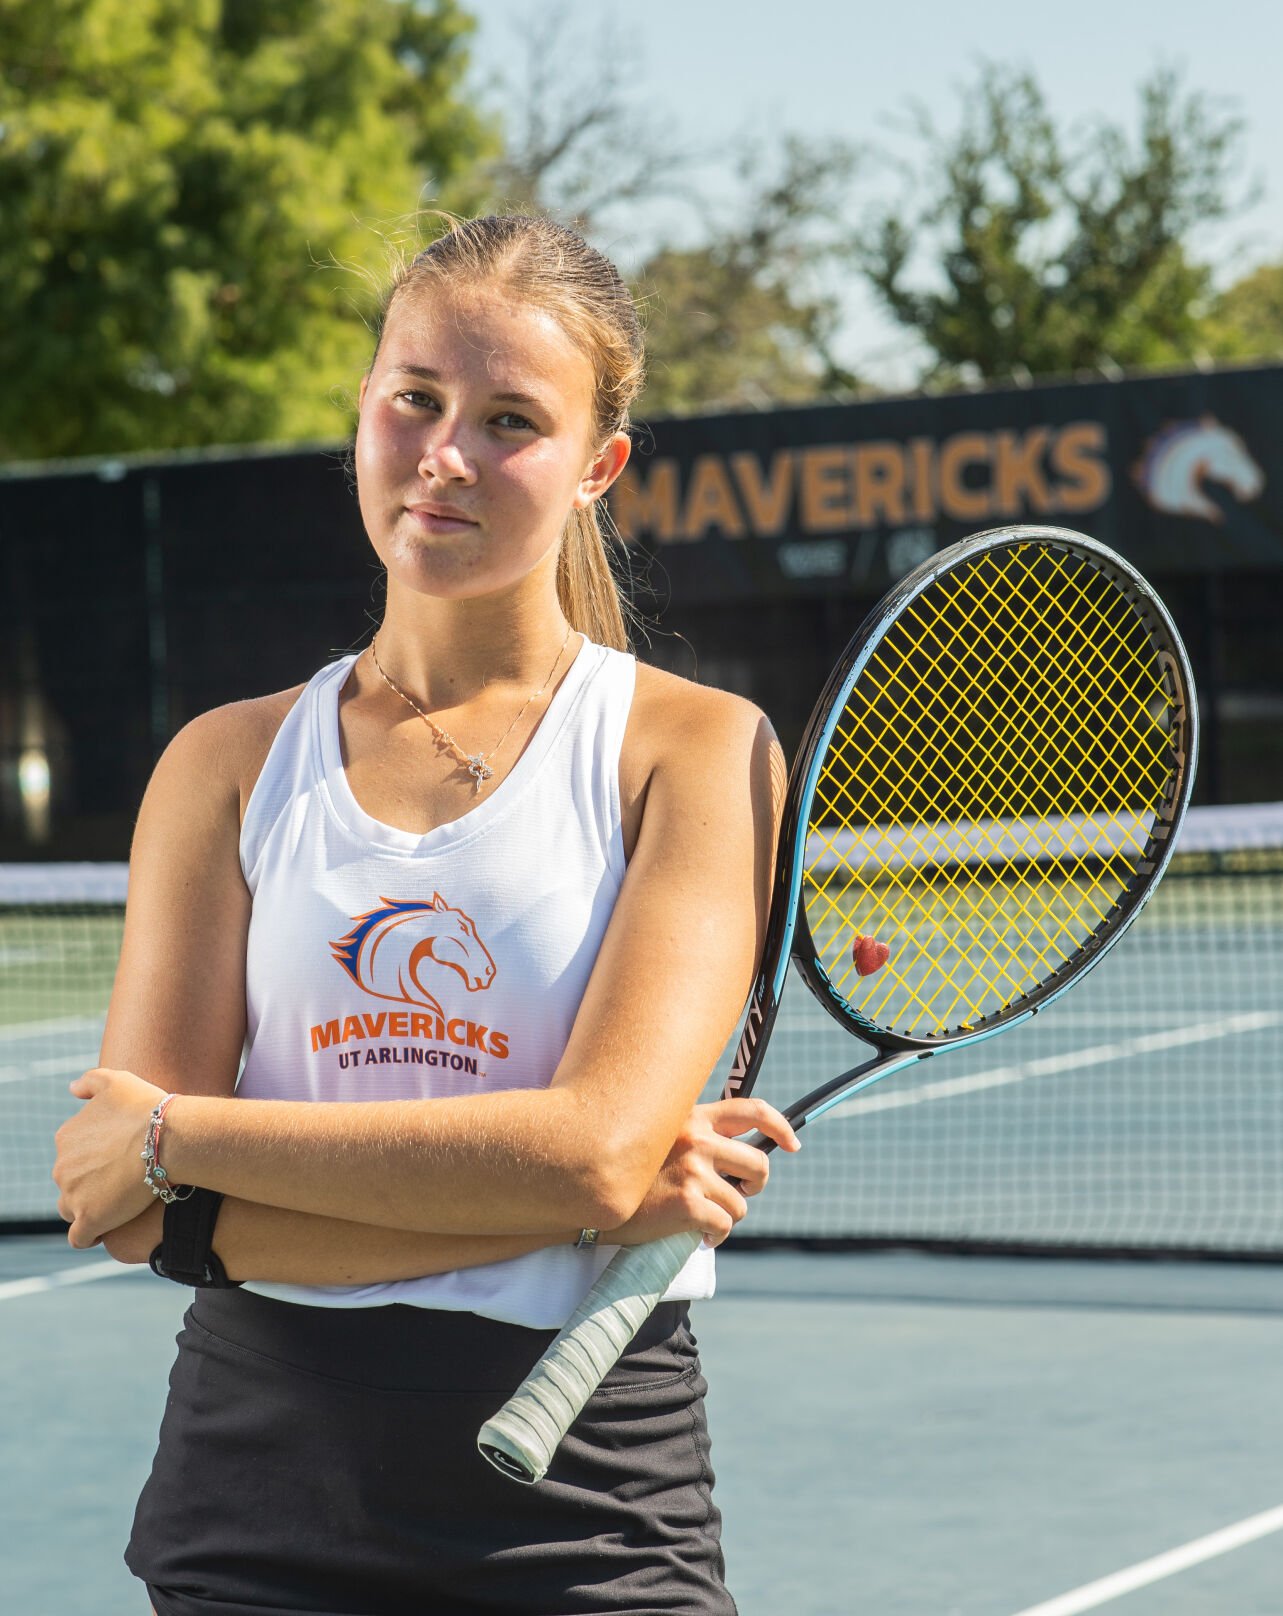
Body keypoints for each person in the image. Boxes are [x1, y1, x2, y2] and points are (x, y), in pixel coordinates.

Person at [52, 213, 797, 1616]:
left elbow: (582, 1156)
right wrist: (558, 1197)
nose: (446, 454)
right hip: (254, 1498)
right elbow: (137, 1219)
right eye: (416, 399)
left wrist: (181, 1138)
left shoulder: (695, 752)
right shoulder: (224, 764)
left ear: (597, 466)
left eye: (511, 419)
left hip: (588, 1507)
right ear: (365, 408)